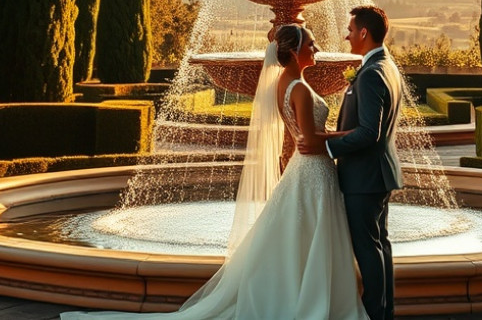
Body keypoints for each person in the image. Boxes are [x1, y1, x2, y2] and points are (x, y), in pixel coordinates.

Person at [61, 24, 367, 320]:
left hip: (306, 171)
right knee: (314, 237)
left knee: (299, 238)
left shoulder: (283, 85)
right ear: (295, 51)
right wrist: (354, 135)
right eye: (310, 44)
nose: (316, 48)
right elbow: (310, 141)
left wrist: (333, 134)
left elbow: (306, 133)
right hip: (313, 170)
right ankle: (315, 302)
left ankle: (301, 296)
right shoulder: (298, 87)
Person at [299, 5, 404, 320]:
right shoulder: (386, 66)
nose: (346, 35)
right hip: (378, 174)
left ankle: (374, 314)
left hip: (364, 176)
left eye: (350, 29)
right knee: (380, 245)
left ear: (363, 33)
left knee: (368, 249)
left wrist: (327, 145)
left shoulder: (371, 74)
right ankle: (385, 311)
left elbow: (369, 133)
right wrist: (333, 134)